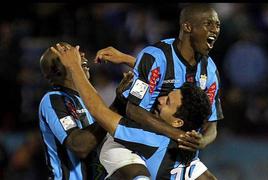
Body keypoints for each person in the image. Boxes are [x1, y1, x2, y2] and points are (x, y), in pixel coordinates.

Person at [50, 43, 217, 179]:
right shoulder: (189, 152)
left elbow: (98, 110)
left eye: (167, 101)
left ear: (177, 122)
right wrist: (127, 59)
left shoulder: (151, 138)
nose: (159, 98)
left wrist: (74, 67)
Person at [94, 3, 223, 178]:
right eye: (209, 24)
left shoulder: (210, 71)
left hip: (172, 149)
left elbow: (211, 123)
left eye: (218, 25)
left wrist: (202, 141)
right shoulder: (156, 56)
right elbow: (134, 110)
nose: (215, 29)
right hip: (132, 142)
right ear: (187, 26)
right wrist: (178, 135)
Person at [38, 42, 107, 180]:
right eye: (70, 53)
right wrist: (114, 109)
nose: (81, 54)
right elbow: (79, 146)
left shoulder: (88, 100)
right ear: (57, 69)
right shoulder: (52, 100)